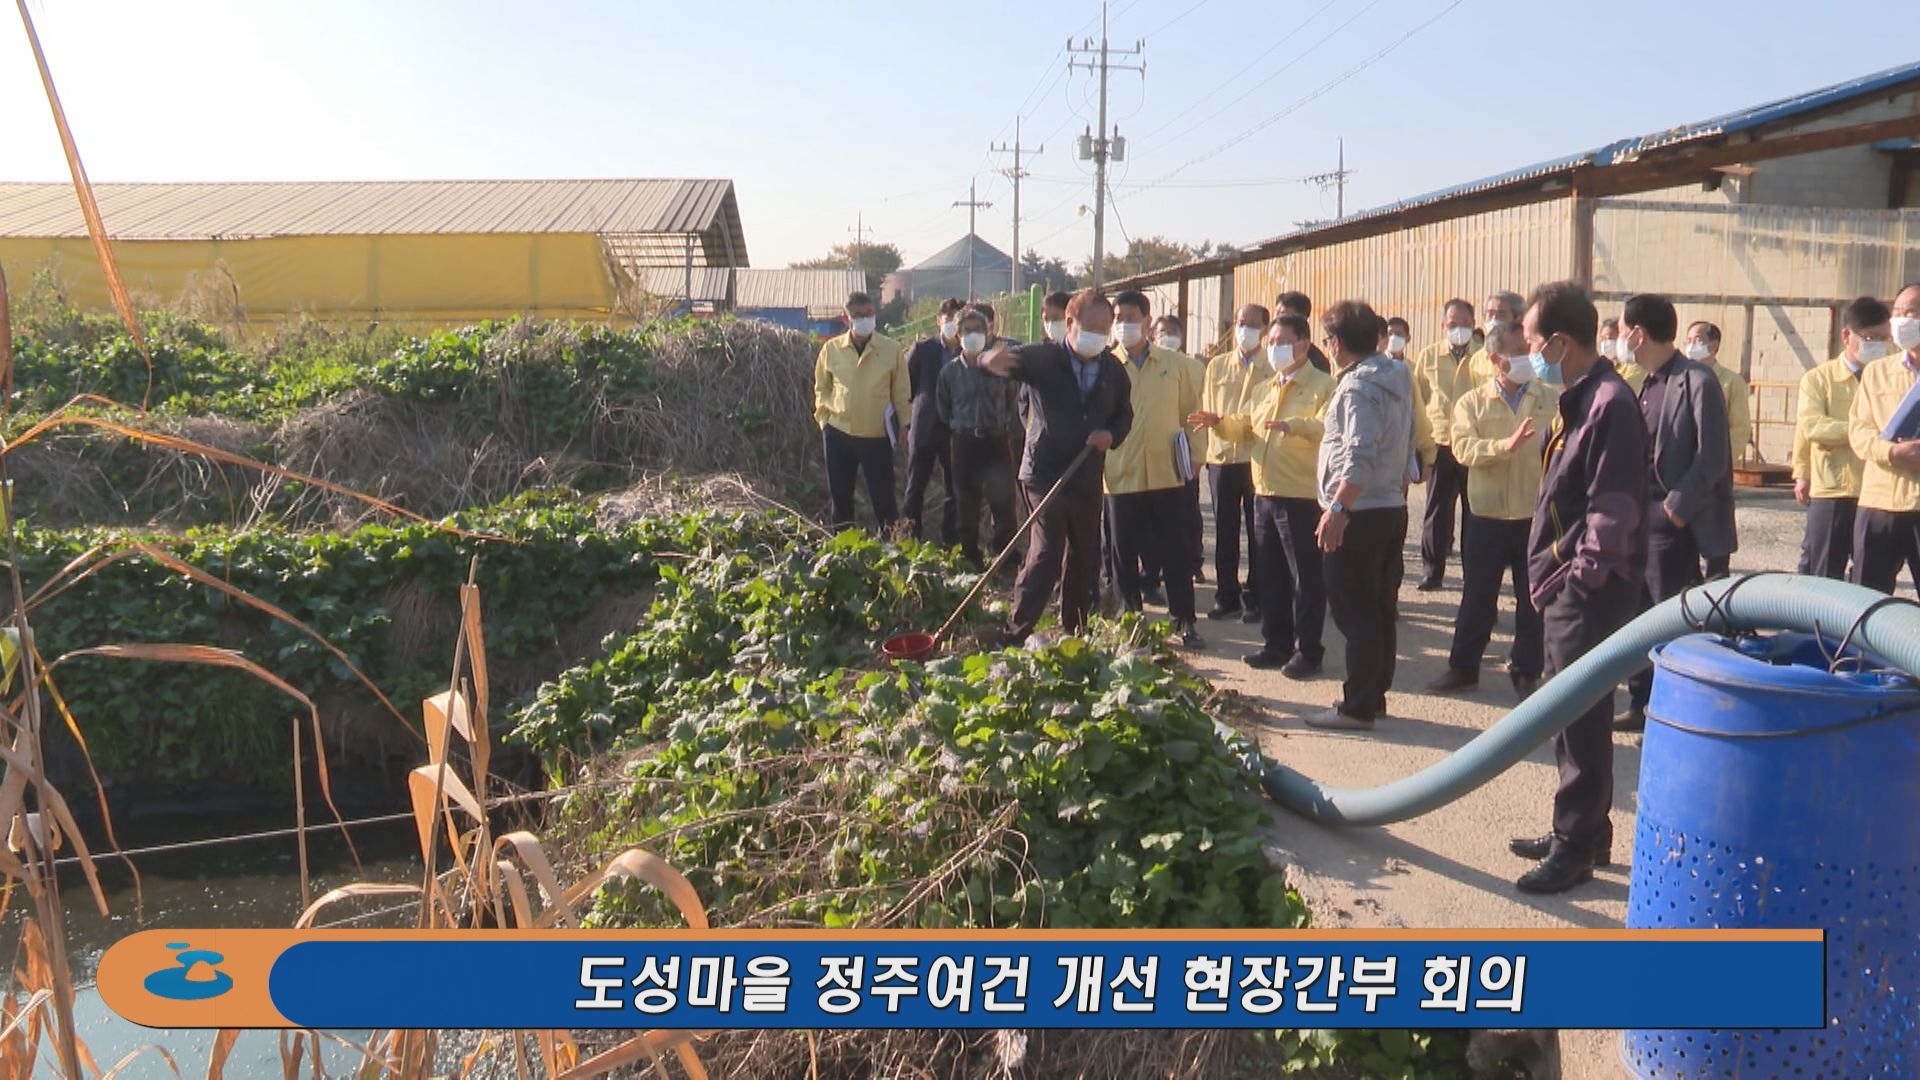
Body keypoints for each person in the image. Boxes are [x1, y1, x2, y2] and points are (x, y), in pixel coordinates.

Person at [1508, 280, 1648, 895]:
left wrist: (1578, 581)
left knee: (1578, 714)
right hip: (1567, 584)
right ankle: (1589, 830)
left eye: (1537, 342)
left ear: (1562, 342)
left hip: (1586, 590)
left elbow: (1610, 510)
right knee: (1576, 717)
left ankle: (1574, 849)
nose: (1532, 354)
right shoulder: (1582, 397)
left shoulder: (1609, 403)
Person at [981, 290, 1132, 644]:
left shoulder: (1113, 370)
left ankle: (1074, 628)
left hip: (1086, 470)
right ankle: (1018, 630)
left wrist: (1110, 435)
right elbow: (1005, 362)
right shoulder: (1045, 358)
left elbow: (1124, 415)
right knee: (1047, 548)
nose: (1098, 334)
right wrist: (990, 360)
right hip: (1044, 470)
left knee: (1084, 549)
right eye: (1090, 326)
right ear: (1069, 323)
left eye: (1104, 327)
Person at [1190, 312, 1332, 678]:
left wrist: (1295, 426)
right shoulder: (1265, 387)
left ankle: (1308, 650)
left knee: (1305, 577)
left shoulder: (1322, 386)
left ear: (1303, 344)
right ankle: (1276, 643)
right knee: (1270, 573)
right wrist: (1220, 422)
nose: (1275, 349)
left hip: (1300, 495)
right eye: (1272, 343)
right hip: (1265, 492)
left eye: (1282, 342)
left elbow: (1327, 427)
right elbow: (1248, 426)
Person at [1619, 294, 1735, 732]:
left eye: (1624, 329)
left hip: (1670, 523)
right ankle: (1640, 700)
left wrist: (1676, 509)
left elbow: (1713, 458)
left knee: (1670, 617)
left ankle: (1672, 710)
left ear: (1638, 333)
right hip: (1637, 519)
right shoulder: (1645, 382)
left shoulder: (1696, 380)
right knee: (1636, 615)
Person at [1425, 322, 1557, 700]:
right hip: (1486, 515)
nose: (1529, 357)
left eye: (1529, 349)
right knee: (1478, 596)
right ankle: (1463, 667)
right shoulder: (1472, 402)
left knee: (1532, 598)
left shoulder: (1549, 398)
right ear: (1497, 359)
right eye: (1520, 351)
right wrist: (1505, 447)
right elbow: (1463, 450)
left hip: (1534, 515)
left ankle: (1527, 670)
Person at [1310, 300, 1416, 730]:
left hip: (1360, 511)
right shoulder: (1397, 375)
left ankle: (1356, 706)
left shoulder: (1357, 389)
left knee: (1356, 612)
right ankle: (1374, 696)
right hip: (1389, 505)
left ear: (1335, 344)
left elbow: (1359, 453)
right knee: (1378, 609)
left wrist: (1338, 508)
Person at [1101, 290, 1205, 648]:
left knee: (1175, 550)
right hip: (1120, 471)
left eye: (1131, 318)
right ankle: (1131, 623)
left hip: (1167, 471)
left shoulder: (1174, 364)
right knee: (1123, 552)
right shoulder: (1105, 364)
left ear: (1148, 321)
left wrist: (1196, 455)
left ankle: (1184, 621)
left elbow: (1192, 414)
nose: (1124, 325)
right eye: (1118, 319)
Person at [1794, 297, 1887, 580]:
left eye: (1884, 339)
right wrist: (1802, 472)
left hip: (1876, 490)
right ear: (1847, 336)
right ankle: (1814, 625)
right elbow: (1810, 427)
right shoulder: (1818, 379)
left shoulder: (1888, 377)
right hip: (1833, 489)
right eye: (1871, 337)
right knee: (1823, 571)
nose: (1879, 346)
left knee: (1870, 575)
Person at [1200, 304, 1274, 621]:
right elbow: (1206, 410)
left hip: (1256, 459)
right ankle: (1225, 595)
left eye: (1253, 324)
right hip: (1222, 459)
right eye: (1241, 323)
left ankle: (1256, 595)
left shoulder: (1272, 367)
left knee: (1259, 533)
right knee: (1225, 532)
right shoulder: (1217, 365)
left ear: (1266, 329)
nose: (1245, 329)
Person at [936, 306, 1023, 570]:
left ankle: (1005, 561)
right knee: (966, 504)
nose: (972, 335)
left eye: (978, 330)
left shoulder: (1000, 369)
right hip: (964, 444)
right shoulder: (949, 373)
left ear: (988, 333)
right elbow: (943, 408)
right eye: (966, 331)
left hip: (996, 442)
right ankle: (970, 558)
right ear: (958, 335)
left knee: (1003, 505)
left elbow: (1012, 403)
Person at [813, 291, 909, 531]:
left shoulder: (891, 349)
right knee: (841, 498)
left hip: (876, 435)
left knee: (883, 498)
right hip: (838, 433)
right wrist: (825, 419)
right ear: (846, 319)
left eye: (868, 314)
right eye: (858, 315)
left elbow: (901, 391)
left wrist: (905, 424)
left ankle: (892, 548)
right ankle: (843, 550)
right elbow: (821, 387)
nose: (864, 319)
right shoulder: (831, 349)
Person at [1847, 282, 1920, 594]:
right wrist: (1891, 453)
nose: (1902, 319)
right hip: (1879, 502)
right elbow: (1858, 432)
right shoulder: (1877, 371)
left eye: (1911, 312)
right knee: (1867, 600)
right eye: (1898, 312)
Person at [1412, 298, 1480, 591]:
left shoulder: (1483, 359)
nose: (1458, 330)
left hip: (1473, 444)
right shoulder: (1428, 357)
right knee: (1437, 511)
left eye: (1465, 324)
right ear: (1443, 326)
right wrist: (1420, 444)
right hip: (1439, 443)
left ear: (1474, 326)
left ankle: (1473, 572)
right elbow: (1418, 402)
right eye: (1453, 325)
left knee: (1474, 512)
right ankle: (1432, 570)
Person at [1683, 321, 1751, 579]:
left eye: (1697, 339)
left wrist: (1719, 462)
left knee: (1716, 551)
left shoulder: (1731, 382)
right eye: (1688, 339)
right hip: (1684, 474)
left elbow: (1740, 428)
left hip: (1716, 475)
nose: (1691, 345)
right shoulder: (1681, 376)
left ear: (1714, 344)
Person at [902, 298, 965, 545]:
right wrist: (907, 422)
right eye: (947, 319)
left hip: (957, 428)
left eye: (955, 319)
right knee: (916, 484)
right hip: (925, 427)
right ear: (938, 321)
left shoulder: (969, 352)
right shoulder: (923, 349)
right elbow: (906, 386)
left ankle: (951, 540)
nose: (951, 324)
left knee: (956, 487)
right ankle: (909, 536)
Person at [1155, 313, 1209, 587]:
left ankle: (1192, 562)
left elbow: (1198, 409)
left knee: (1187, 510)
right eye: (1162, 331)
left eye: (1173, 332)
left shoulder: (1193, 367)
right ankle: (1155, 569)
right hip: (1153, 452)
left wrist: (1198, 455)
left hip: (1183, 450)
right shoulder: (1146, 366)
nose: (1167, 336)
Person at [1276, 291, 1332, 372]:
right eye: (1276, 313)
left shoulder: (1317, 361)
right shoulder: (1269, 353)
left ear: (1302, 319)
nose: (1277, 320)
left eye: (1283, 314)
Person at [1597, 317, 1647, 394]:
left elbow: (1618, 388)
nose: (1605, 343)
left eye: (1610, 337)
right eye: (1603, 339)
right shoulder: (1614, 366)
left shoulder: (1635, 365)